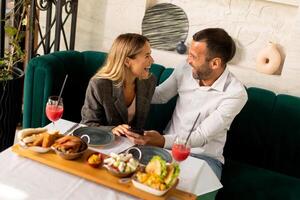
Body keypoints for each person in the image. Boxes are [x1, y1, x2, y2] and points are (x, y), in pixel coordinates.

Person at [124, 28, 248, 180]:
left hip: (205, 158)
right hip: (167, 150)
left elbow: (201, 136)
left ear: (215, 63)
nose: (188, 60)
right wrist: (126, 87)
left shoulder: (235, 93)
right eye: (189, 53)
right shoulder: (185, 68)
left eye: (194, 56)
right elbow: (160, 95)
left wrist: (162, 140)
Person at [81, 33, 156, 134]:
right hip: (102, 143)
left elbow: (139, 127)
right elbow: (87, 124)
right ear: (127, 61)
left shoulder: (149, 82)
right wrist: (111, 130)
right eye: (147, 56)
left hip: (131, 145)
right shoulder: (99, 85)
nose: (152, 60)